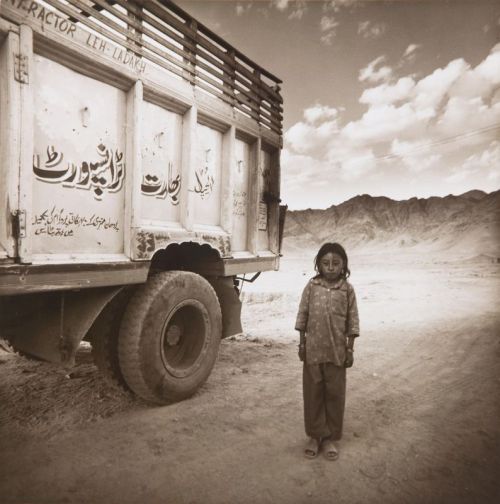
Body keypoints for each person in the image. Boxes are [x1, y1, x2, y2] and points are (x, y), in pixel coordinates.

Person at [295, 242, 360, 460]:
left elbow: (352, 322)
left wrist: (349, 349)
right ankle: (315, 436)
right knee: (313, 394)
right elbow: (302, 315)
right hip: (313, 352)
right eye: (325, 263)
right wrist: (302, 344)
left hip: (337, 354)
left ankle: (330, 437)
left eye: (335, 263)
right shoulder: (312, 287)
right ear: (319, 265)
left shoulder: (347, 289)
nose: (330, 267)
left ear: (343, 265)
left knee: (334, 395)